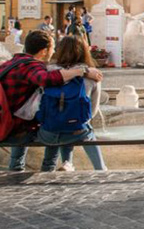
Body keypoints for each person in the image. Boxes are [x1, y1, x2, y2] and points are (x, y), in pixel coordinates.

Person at [1, 30, 102, 171]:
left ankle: (19, 171)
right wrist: (83, 71)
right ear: (43, 51)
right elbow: (46, 79)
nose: (54, 51)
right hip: (15, 129)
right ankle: (57, 167)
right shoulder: (33, 67)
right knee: (57, 124)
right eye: (52, 47)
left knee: (53, 122)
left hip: (6, 124)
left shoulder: (10, 64)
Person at [38, 35, 106, 172]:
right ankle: (100, 168)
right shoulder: (92, 76)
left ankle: (58, 165)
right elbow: (92, 111)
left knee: (59, 123)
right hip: (77, 131)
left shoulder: (49, 72)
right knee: (83, 127)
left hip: (49, 132)